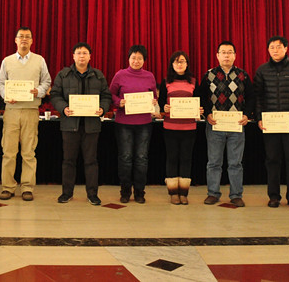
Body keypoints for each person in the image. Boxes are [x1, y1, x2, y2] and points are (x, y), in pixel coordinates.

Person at [49, 42, 111, 206]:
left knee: (91, 161)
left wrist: (102, 108)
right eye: (78, 53)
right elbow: (55, 95)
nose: (81, 56)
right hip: (70, 124)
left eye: (85, 53)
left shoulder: (98, 75)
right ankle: (66, 193)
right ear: (73, 56)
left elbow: (106, 96)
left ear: (90, 56)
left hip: (91, 125)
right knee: (68, 160)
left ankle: (92, 194)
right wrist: (63, 108)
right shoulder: (64, 75)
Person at [0, 27, 52, 201]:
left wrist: (38, 91)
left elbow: (47, 81)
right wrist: (6, 94)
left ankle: (27, 187)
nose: (24, 39)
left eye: (27, 37)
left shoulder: (39, 60)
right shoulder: (7, 61)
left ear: (32, 41)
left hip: (31, 110)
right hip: (11, 111)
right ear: (15, 40)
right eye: (21, 36)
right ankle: (8, 187)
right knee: (9, 152)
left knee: (29, 152)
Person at [198, 41, 255, 207]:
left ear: (235, 55)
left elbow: (251, 97)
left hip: (236, 125)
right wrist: (207, 114)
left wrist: (247, 115)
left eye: (230, 52)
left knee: (235, 163)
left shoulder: (243, 75)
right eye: (223, 52)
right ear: (217, 55)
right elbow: (202, 97)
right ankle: (213, 193)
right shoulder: (209, 75)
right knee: (214, 162)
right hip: (215, 125)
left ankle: (236, 195)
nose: (226, 55)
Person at [254, 35, 289, 209]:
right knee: (272, 160)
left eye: (278, 47)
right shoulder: (262, 70)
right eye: (272, 47)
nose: (275, 50)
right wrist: (259, 118)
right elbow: (258, 97)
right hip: (270, 124)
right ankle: (274, 196)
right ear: (268, 50)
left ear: (286, 48)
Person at [108, 44, 159, 204]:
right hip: (124, 123)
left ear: (144, 60)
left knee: (141, 158)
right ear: (128, 58)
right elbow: (110, 95)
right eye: (133, 58)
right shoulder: (120, 75)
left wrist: (154, 101)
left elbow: (154, 96)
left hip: (144, 123)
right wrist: (119, 102)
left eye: (140, 58)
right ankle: (125, 192)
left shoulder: (149, 76)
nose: (136, 61)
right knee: (125, 157)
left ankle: (139, 192)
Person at [158, 50, 202, 205]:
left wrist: (199, 110)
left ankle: (184, 193)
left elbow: (198, 101)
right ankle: (173, 193)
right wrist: (164, 108)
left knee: (186, 159)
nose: (179, 64)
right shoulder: (166, 82)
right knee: (172, 158)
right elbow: (161, 103)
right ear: (172, 64)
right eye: (176, 61)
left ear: (187, 64)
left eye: (182, 61)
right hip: (170, 127)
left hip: (189, 128)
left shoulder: (194, 82)